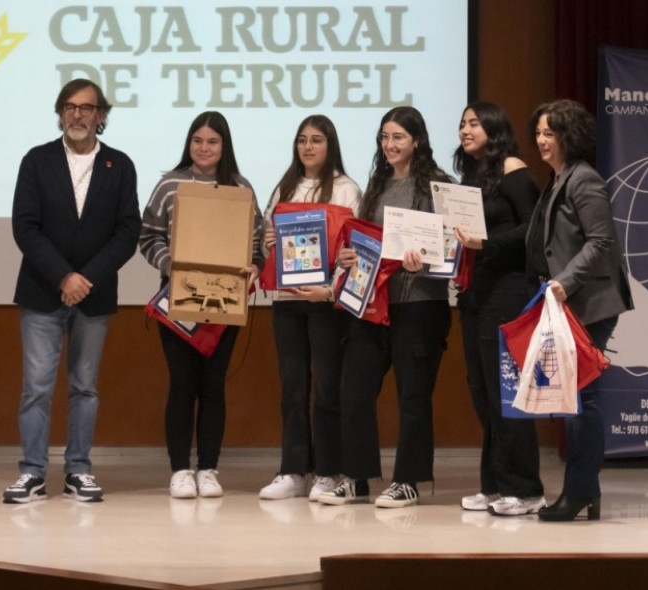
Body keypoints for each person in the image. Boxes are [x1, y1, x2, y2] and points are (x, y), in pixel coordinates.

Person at [4, 79, 141, 504]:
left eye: (86, 108)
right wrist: (64, 276)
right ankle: (32, 472)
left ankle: (78, 470)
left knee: (85, 387)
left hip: (94, 296)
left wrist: (86, 279)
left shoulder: (119, 165)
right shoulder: (37, 160)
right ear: (60, 113)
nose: (77, 115)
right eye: (69, 107)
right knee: (36, 388)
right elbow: (24, 226)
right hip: (43, 291)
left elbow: (127, 231)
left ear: (101, 115)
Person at [318, 106, 452, 509]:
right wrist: (347, 257)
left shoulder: (439, 185)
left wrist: (425, 259)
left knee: (413, 395)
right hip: (372, 304)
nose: (389, 145)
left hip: (420, 304)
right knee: (353, 388)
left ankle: (408, 480)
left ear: (417, 141)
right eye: (384, 137)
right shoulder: (375, 184)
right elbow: (365, 240)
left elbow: (452, 247)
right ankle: (356, 477)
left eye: (398, 137)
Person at [139, 111, 264, 499]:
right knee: (181, 385)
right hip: (179, 299)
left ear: (224, 146)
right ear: (188, 143)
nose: (204, 148)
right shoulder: (169, 185)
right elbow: (148, 237)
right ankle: (180, 470)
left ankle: (208, 469)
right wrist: (170, 264)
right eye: (197, 140)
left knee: (213, 388)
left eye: (212, 141)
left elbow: (258, 244)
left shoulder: (241, 188)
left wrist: (255, 267)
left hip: (226, 302)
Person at [525, 99, 633, 521]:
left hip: (589, 304)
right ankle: (584, 490)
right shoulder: (557, 179)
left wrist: (565, 282)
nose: (541, 141)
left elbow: (601, 242)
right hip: (566, 305)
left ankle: (582, 489)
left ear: (569, 137)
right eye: (538, 132)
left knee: (580, 398)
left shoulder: (584, 180)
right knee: (573, 398)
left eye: (549, 133)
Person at [257, 115, 362, 501]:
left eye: (316, 140)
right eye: (302, 140)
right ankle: (293, 470)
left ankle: (328, 471)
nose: (308, 147)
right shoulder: (285, 187)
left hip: (325, 303)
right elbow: (269, 245)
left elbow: (353, 251)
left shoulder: (347, 189)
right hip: (287, 302)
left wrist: (330, 290)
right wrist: (269, 241)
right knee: (293, 388)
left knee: (327, 389)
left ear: (330, 145)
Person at [451, 102, 546, 517]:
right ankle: (494, 484)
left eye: (474, 123)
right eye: (462, 124)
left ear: (494, 127)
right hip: (475, 292)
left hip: (507, 291)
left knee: (507, 390)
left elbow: (534, 228)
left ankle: (526, 489)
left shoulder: (513, 168)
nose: (465, 129)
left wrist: (484, 244)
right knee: (482, 390)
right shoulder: (473, 177)